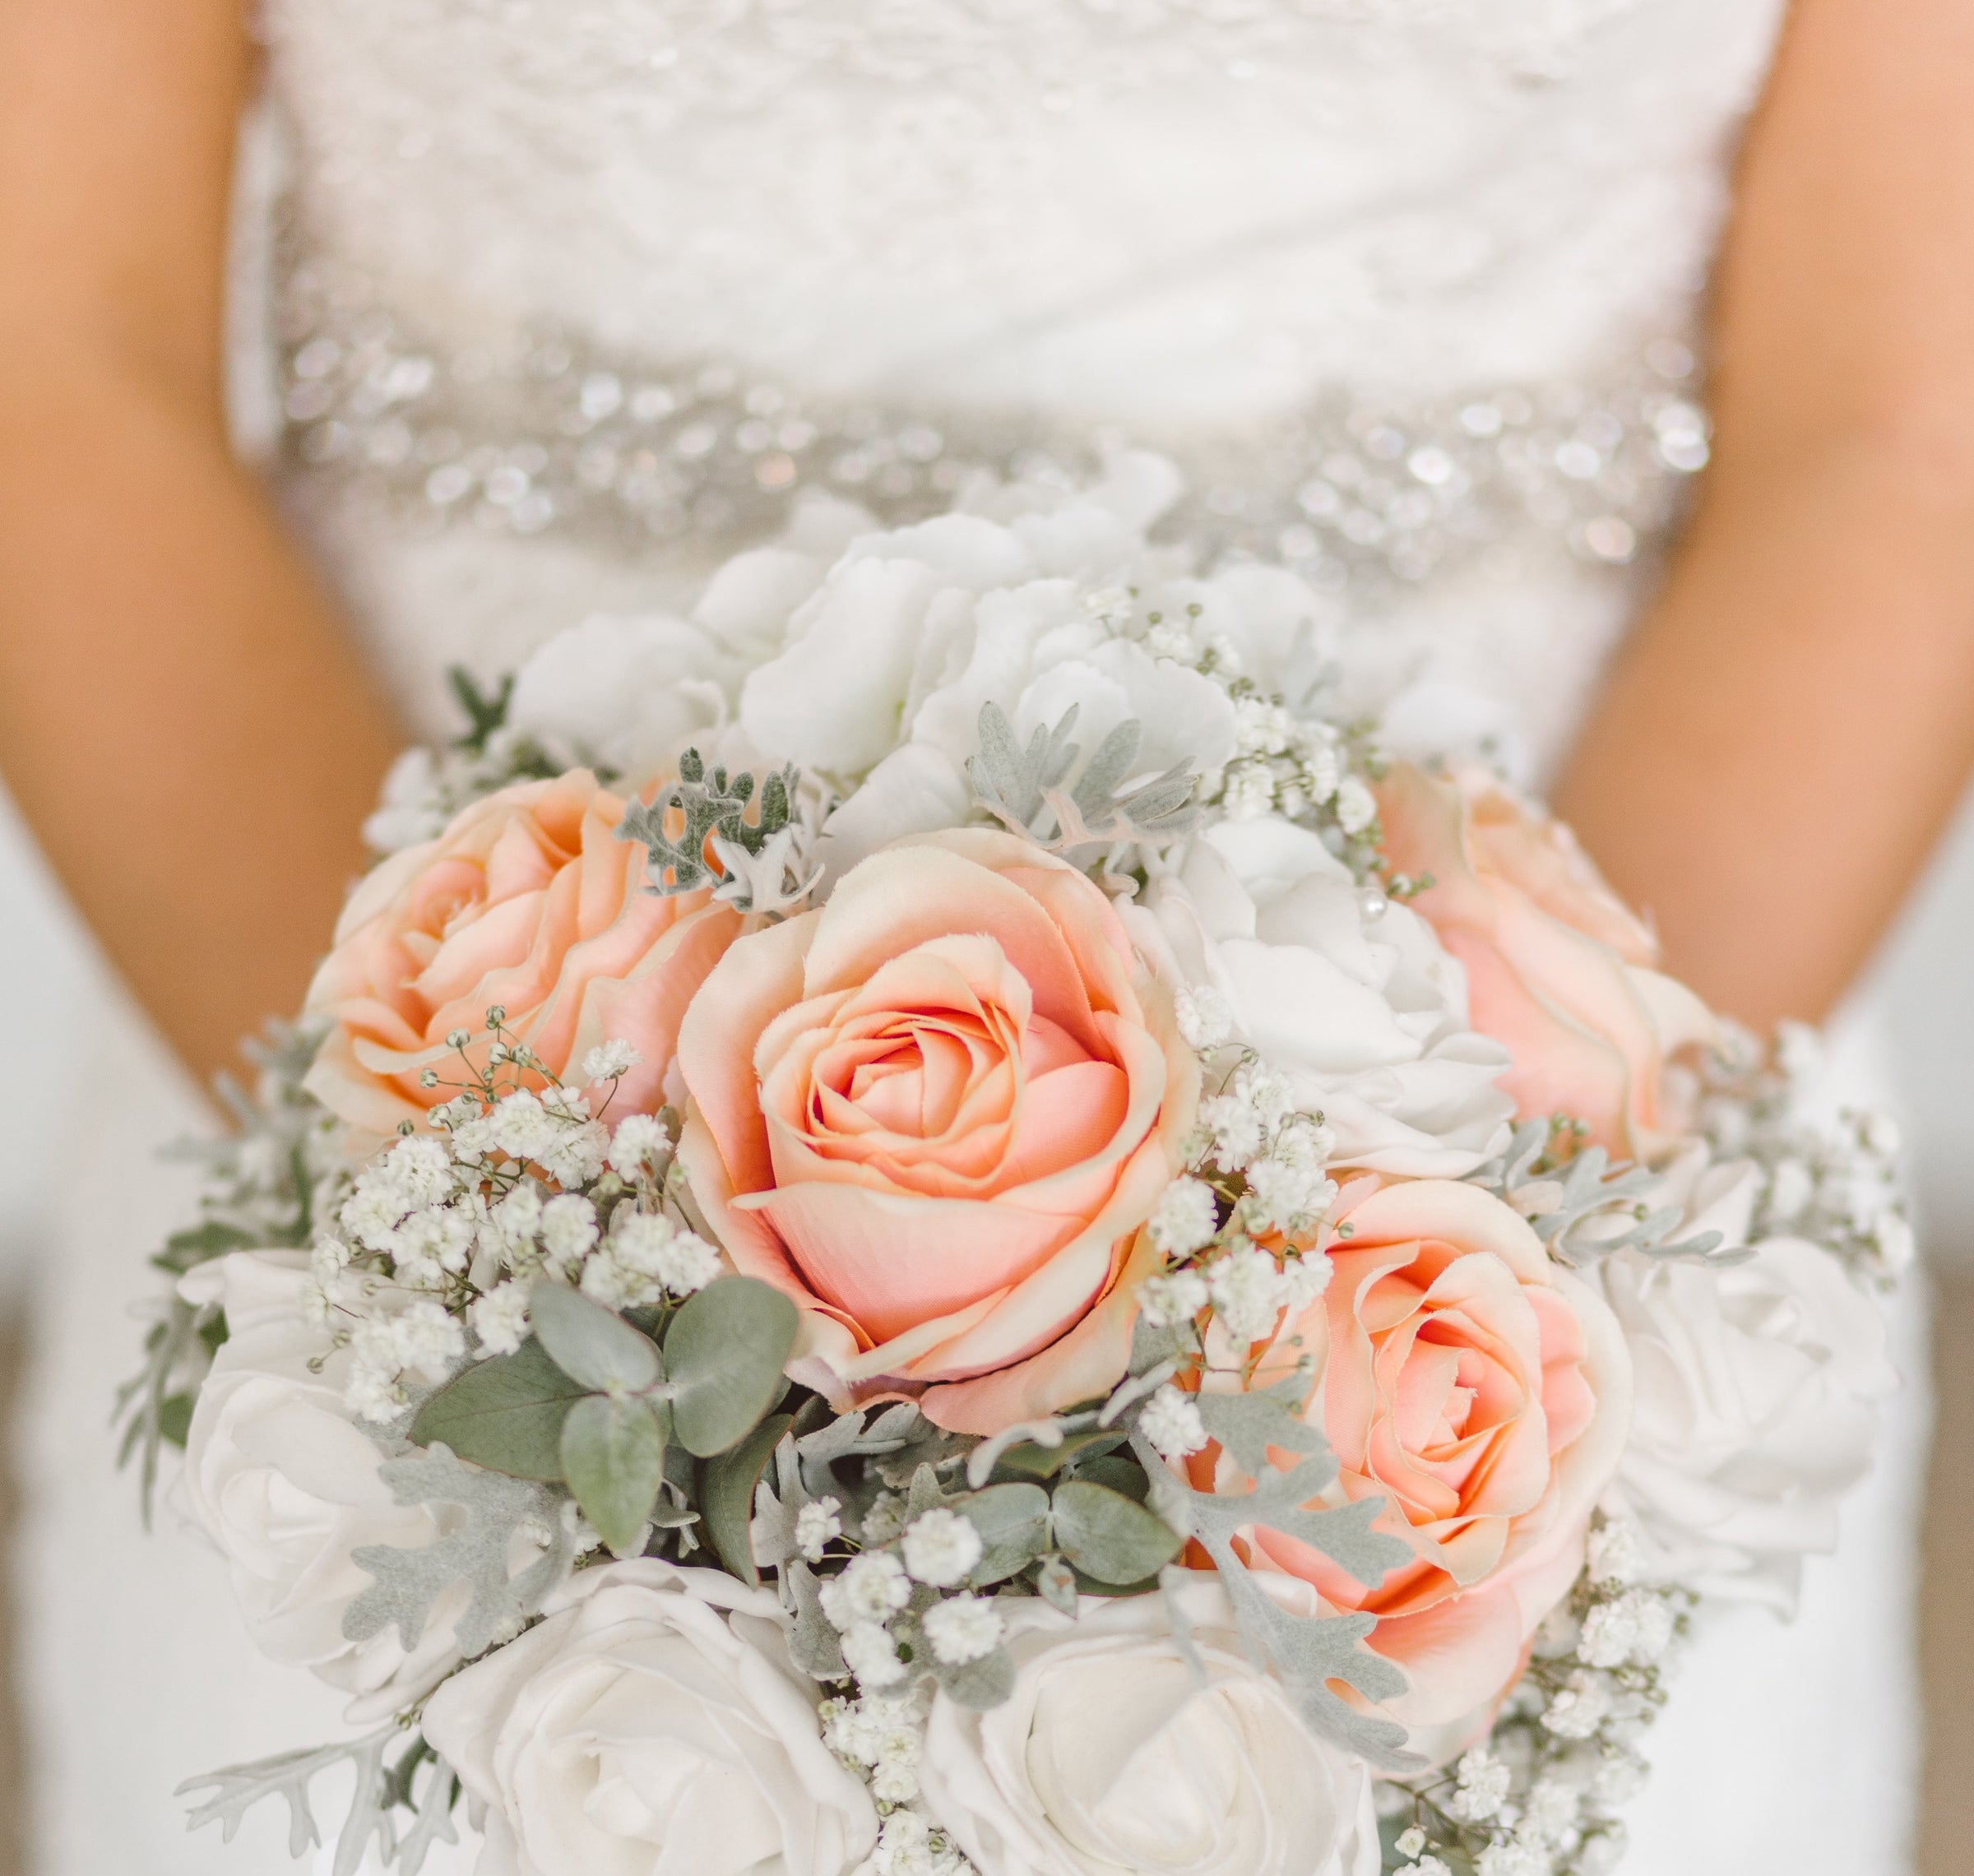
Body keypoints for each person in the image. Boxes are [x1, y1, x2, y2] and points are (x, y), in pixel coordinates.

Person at [0, 0, 1962, 1869]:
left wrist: (1453, 1267)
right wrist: (506, 1287)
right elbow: (54, 359)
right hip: (376, 1026)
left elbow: (1897, 441)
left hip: (1524, 1138)